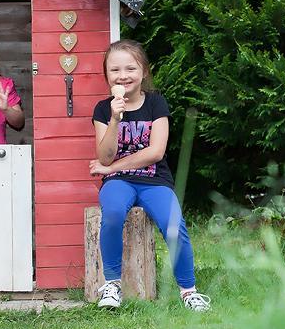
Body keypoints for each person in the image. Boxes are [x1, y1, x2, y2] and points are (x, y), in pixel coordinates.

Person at [89, 40, 211, 312]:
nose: (123, 76)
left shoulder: (156, 103)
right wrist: (114, 119)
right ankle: (112, 285)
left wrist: (111, 168)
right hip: (119, 182)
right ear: (107, 76)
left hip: (154, 179)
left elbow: (156, 152)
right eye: (115, 70)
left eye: (130, 68)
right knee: (112, 215)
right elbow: (105, 155)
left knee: (173, 224)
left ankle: (188, 291)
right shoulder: (102, 109)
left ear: (144, 71)